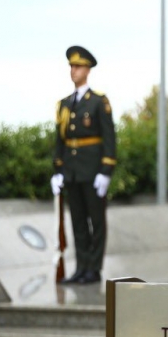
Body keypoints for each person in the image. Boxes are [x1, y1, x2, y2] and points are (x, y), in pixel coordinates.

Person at [50, 46, 117, 285]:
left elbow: (109, 138)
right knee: (77, 221)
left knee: (96, 221)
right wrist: (58, 170)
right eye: (71, 66)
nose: (73, 70)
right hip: (72, 171)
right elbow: (61, 139)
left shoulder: (99, 102)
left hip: (93, 171)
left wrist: (106, 170)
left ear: (87, 70)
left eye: (77, 66)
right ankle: (80, 268)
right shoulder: (65, 104)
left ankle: (93, 269)